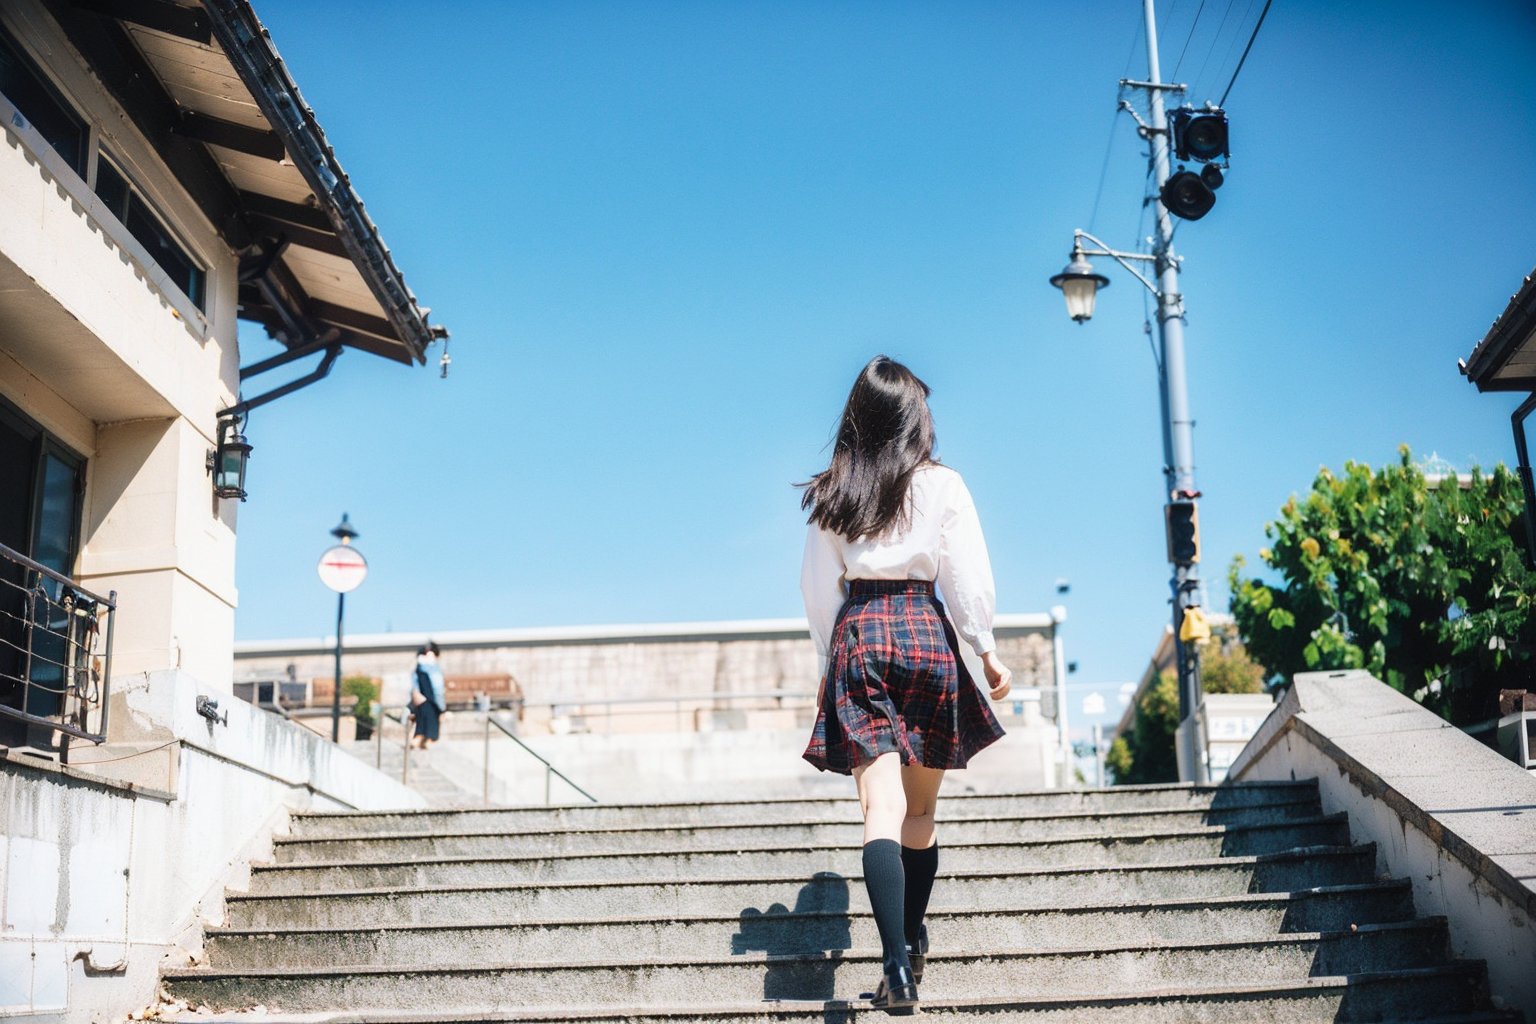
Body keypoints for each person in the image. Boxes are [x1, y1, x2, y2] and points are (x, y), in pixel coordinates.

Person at [799, 355, 1012, 1013]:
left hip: (862, 635)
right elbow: (966, 577)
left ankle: (895, 963)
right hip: (924, 632)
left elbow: (817, 595)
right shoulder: (944, 485)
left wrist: (823, 670)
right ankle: (912, 939)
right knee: (920, 812)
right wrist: (986, 646)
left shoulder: (834, 492)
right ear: (914, 417)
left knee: (880, 813)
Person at [409, 641, 448, 750]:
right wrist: (442, 707)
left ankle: (416, 741)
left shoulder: (418, 668)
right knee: (431, 729)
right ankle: (425, 743)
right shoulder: (434, 668)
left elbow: (413, 686)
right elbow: (438, 689)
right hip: (431, 702)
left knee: (421, 726)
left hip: (420, 701)